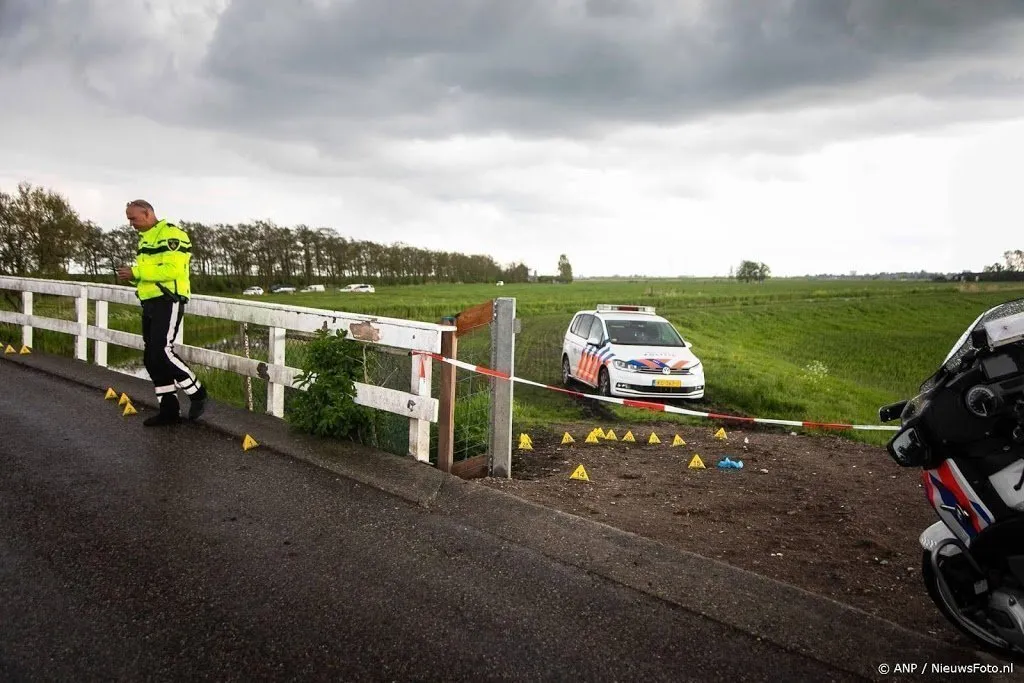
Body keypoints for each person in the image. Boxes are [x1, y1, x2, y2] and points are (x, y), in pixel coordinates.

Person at [116, 199, 207, 426]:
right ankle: (169, 410)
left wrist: (136, 272)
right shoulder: (145, 240)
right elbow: (150, 274)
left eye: (133, 218)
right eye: (129, 219)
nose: (130, 224)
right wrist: (134, 278)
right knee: (151, 358)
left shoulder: (172, 235)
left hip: (168, 300)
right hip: (149, 302)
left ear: (147, 214)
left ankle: (197, 393)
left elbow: (172, 270)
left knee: (162, 351)